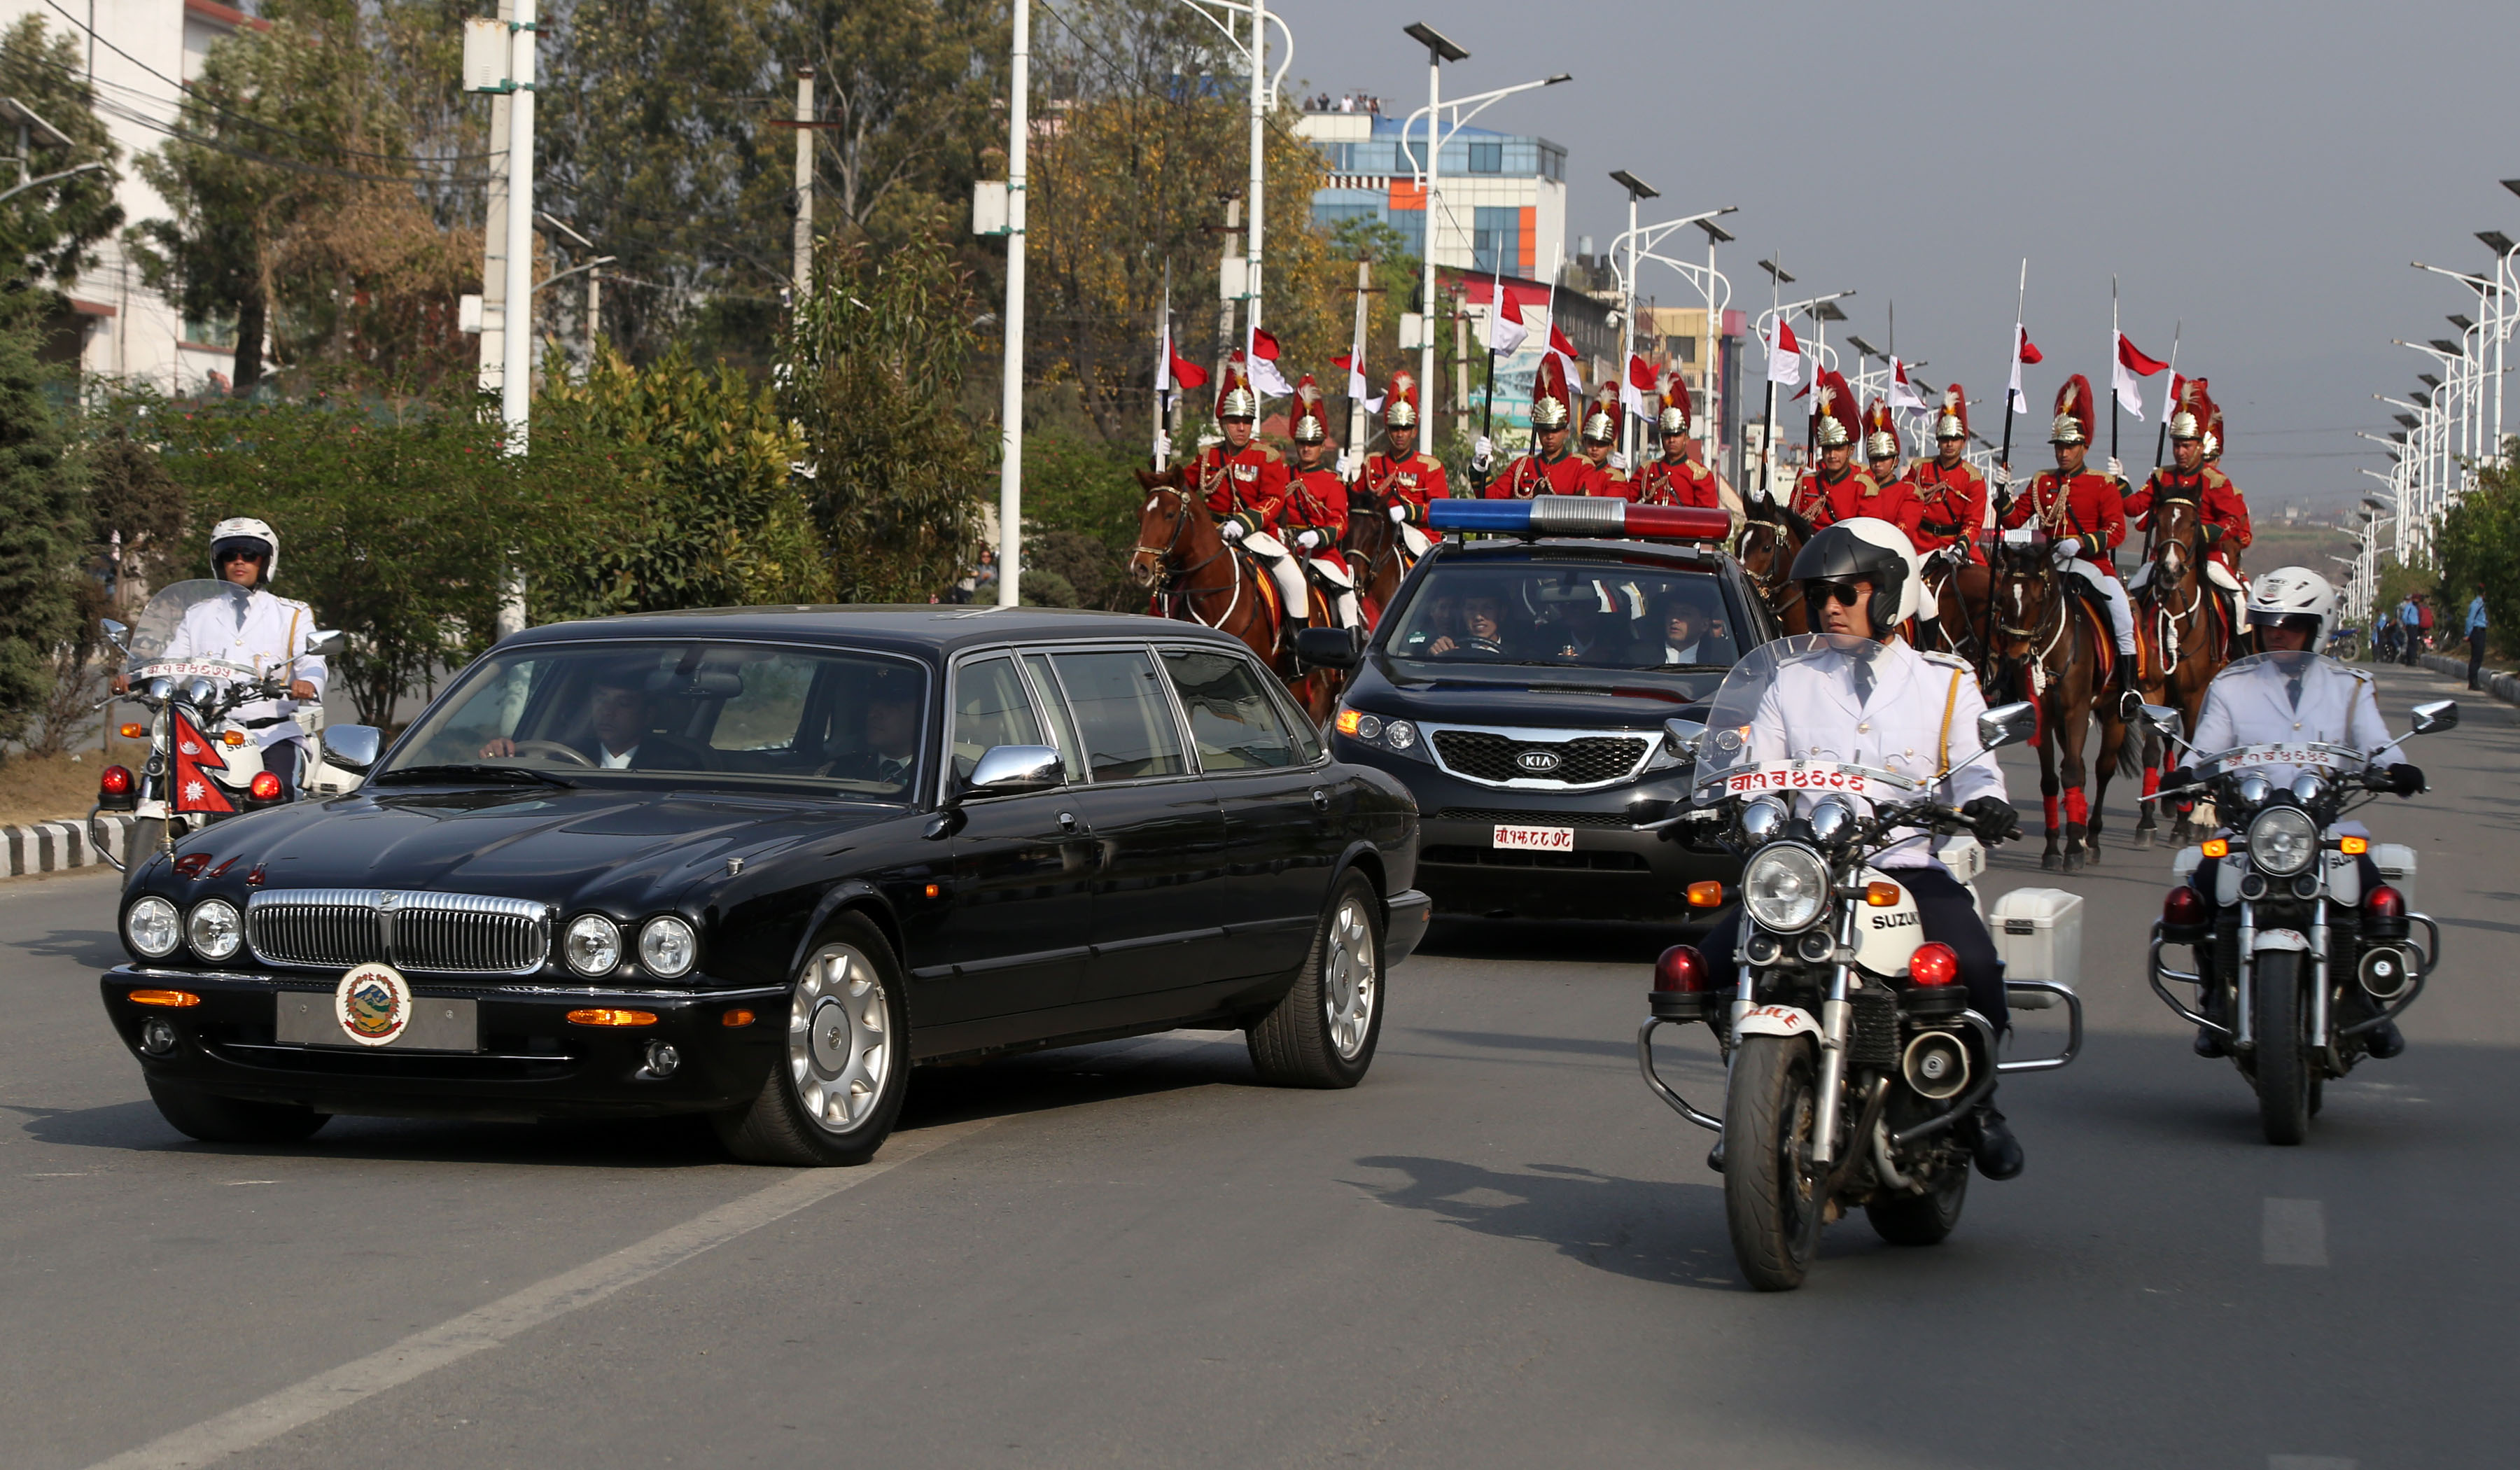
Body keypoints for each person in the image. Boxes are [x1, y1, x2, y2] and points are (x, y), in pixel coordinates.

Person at [1695, 518, 2026, 1180]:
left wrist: (1986, 800)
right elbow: (1755, 767)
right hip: (1810, 874)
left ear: (1891, 593)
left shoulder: (1945, 681)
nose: (1831, 606)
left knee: (1977, 966)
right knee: (1704, 966)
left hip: (1902, 867)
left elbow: (1976, 766)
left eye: (1849, 591)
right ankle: (1755, 1093)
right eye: (1822, 593)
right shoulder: (1789, 680)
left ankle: (1979, 1104)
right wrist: (1719, 801)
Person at [2171, 567, 2420, 1060]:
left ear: (2318, 627)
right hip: (2251, 825)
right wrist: (2185, 773)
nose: (2277, 632)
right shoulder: (2232, 685)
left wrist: (2396, 768)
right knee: (2198, 891)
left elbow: (2377, 742)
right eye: (2268, 622)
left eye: (2291, 623)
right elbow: (2204, 749)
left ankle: (2368, 999)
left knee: (2378, 896)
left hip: (2326, 825)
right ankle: (2217, 993)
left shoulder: (2350, 686)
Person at [144, 517, 328, 799]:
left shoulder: (291, 614)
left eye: (250, 554)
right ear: (219, 562)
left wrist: (308, 683)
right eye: (230, 555)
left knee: (277, 799)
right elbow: (172, 663)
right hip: (209, 733)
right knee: (166, 787)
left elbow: (313, 660)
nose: (239, 562)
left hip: (270, 735)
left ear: (265, 561)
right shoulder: (199, 614)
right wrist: (139, 678)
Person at [1999, 374, 2139, 708]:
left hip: (2092, 564)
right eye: (2059, 447)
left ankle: (2128, 688)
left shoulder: (2102, 484)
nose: (2063, 453)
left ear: (2084, 447)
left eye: (2070, 446)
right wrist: (2002, 494)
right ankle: (2005, 682)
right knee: (2010, 608)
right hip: (2051, 564)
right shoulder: (2042, 481)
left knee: (2121, 615)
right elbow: (2013, 520)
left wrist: (2082, 543)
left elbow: (2118, 531)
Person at [2124, 379, 2251, 653]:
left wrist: (2201, 535)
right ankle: (2134, 665)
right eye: (2177, 445)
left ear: (2198, 446)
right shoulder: (2162, 476)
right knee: (2130, 597)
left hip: (2208, 560)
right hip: (2163, 558)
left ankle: (2241, 658)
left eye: (2186, 446)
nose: (2180, 452)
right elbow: (2134, 508)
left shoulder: (2215, 481)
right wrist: (2120, 482)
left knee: (2239, 601)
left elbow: (2231, 522)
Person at [1264, 374, 1363, 633]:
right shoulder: (1284, 475)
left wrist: (1318, 536)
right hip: (1285, 548)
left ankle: (1352, 648)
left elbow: (1340, 523)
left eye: (1313, 443)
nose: (1307, 448)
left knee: (1346, 596)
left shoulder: (1332, 481)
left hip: (1322, 553)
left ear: (1322, 445)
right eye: (1302, 443)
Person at [481, 661, 711, 770]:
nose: (608, 711)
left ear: (648, 715)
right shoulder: (559, 756)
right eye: (601, 699)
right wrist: (500, 756)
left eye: (623, 703)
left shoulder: (680, 765)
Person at [1907, 384, 1991, 650]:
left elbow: (1974, 522)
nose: (1949, 444)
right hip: (1922, 545)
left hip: (1957, 547)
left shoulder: (1973, 478)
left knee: (1989, 592)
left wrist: (1962, 545)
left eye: (1954, 439)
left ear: (1963, 442)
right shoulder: (1920, 468)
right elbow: (1908, 504)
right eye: (1944, 440)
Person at [1475, 355, 1604, 498]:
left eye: (1555, 430)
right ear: (1537, 431)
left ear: (1566, 432)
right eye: (1544, 430)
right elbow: (1490, 499)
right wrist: (1480, 467)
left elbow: (1589, 510)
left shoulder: (1581, 467)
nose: (1549, 436)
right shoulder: (1522, 466)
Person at [1354, 368, 1448, 564]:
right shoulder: (1373, 463)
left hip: (1419, 538)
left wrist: (1409, 511)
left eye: (1405, 429)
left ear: (1414, 431)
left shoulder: (1429, 467)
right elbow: (1355, 501)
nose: (1400, 434)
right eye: (1395, 428)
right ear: (1387, 429)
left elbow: (1441, 510)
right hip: (1378, 536)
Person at [1788, 371, 1886, 527]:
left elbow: (1870, 535)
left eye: (1839, 448)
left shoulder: (1863, 488)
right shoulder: (1806, 483)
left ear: (1850, 451)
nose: (1832, 455)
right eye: (1827, 449)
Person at [1633, 382, 1726, 514]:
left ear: (1686, 439)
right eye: (1667, 435)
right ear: (1662, 438)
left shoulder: (1700, 475)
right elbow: (1624, 500)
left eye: (1676, 435)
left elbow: (1707, 522)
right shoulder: (1647, 470)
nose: (1672, 440)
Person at [822, 678, 922, 786]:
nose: (872, 715)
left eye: (890, 706)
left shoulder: (935, 776)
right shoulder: (842, 770)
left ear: (919, 716)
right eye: (872, 706)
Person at [1577, 385, 1632, 497]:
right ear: (1584, 443)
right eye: (1591, 443)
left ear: (1610, 447)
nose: (1594, 448)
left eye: (1601, 445)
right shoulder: (1573, 471)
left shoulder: (1616, 478)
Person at [1651, 590, 1729, 665]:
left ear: (1704, 625)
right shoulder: (1642, 657)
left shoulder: (1723, 660)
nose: (1674, 620)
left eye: (1685, 613)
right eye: (1671, 612)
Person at [1424, 594, 1508, 658]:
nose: (1478, 617)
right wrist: (1433, 654)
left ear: (1502, 613)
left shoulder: (1517, 654)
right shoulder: (1451, 650)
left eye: (1487, 608)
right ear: (1462, 614)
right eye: (1471, 608)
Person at [2467, 582, 2490, 690]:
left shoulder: (2484, 604)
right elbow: (2470, 619)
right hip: (2477, 632)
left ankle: (2474, 680)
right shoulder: (2477, 603)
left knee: (2479, 657)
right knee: (2476, 658)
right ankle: (2473, 682)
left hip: (2482, 631)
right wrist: (2467, 634)